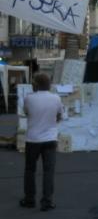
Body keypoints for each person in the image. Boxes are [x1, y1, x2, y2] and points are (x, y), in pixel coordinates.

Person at [22, 73, 63, 211]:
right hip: (50, 139)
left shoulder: (28, 98)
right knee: (48, 171)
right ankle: (47, 202)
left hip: (33, 139)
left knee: (30, 170)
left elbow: (26, 113)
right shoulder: (56, 98)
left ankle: (29, 199)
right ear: (48, 84)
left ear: (36, 84)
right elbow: (59, 116)